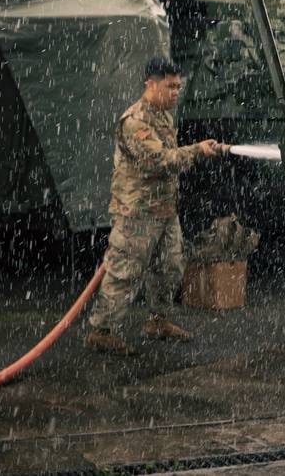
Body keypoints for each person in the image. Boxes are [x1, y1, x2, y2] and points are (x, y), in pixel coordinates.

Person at [85, 57, 218, 356]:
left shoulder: (163, 118)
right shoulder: (135, 121)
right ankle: (101, 331)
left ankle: (157, 321)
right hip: (137, 213)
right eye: (169, 86)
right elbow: (158, 161)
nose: (175, 93)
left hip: (164, 211)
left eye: (178, 87)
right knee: (124, 273)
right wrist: (197, 151)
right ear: (151, 85)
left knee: (169, 269)